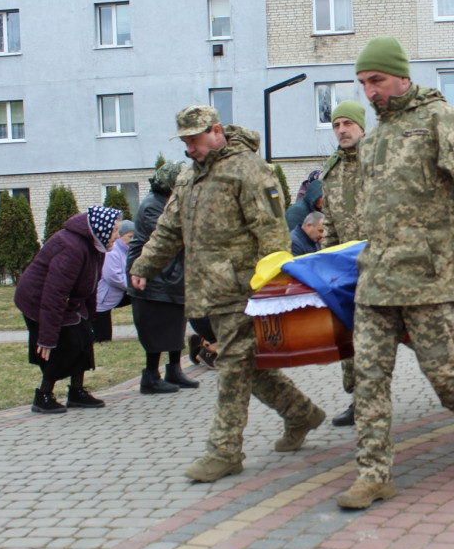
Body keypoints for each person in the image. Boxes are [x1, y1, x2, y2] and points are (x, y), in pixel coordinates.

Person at [341, 36, 454, 509]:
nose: (369, 92)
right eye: (363, 83)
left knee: (441, 368)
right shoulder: (371, 142)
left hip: (429, 275)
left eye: (376, 81)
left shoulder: (439, 119)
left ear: (401, 76)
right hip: (376, 279)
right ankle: (374, 474)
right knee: (368, 375)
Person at [130, 106, 326, 483]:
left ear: (216, 131)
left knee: (233, 369)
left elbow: (272, 234)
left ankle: (224, 451)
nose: (189, 148)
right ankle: (301, 413)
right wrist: (143, 266)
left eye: (194, 139)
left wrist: (273, 289)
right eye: (184, 141)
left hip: (244, 291)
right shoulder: (189, 178)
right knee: (247, 368)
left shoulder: (249, 169)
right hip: (208, 291)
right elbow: (170, 229)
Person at [14, 206, 120, 413]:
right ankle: (43, 396)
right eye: (114, 231)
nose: (117, 236)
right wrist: (46, 337)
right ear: (101, 229)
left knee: (84, 338)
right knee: (63, 345)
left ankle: (76, 392)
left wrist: (89, 319)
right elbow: (53, 294)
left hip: (67, 300)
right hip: (37, 301)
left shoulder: (95, 247)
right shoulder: (71, 248)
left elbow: (91, 285)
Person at [126, 160, 200, 395]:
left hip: (172, 277)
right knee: (156, 328)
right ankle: (150, 376)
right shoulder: (151, 205)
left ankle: (174, 370)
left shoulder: (169, 202)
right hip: (153, 279)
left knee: (175, 325)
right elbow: (171, 236)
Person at [320, 99, 367, 428]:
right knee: (350, 335)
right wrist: (327, 262)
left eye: (347, 123)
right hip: (347, 269)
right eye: (336, 125)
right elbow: (331, 224)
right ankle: (360, 399)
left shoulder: (380, 160)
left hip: (384, 263)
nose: (341, 130)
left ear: (362, 126)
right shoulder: (331, 171)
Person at [93, 219, 134, 342]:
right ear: (120, 236)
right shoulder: (112, 251)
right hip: (103, 298)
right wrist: (133, 286)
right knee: (103, 338)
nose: (132, 240)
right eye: (129, 236)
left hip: (117, 293)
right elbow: (113, 277)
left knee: (143, 295)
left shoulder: (126, 250)